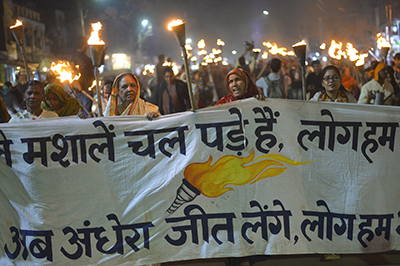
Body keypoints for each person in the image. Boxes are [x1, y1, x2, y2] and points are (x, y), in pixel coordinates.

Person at [70, 36, 95, 117]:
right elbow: (90, 74)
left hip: (76, 91)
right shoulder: (86, 60)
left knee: (80, 112)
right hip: (85, 90)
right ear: (84, 45)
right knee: (86, 113)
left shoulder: (72, 58)